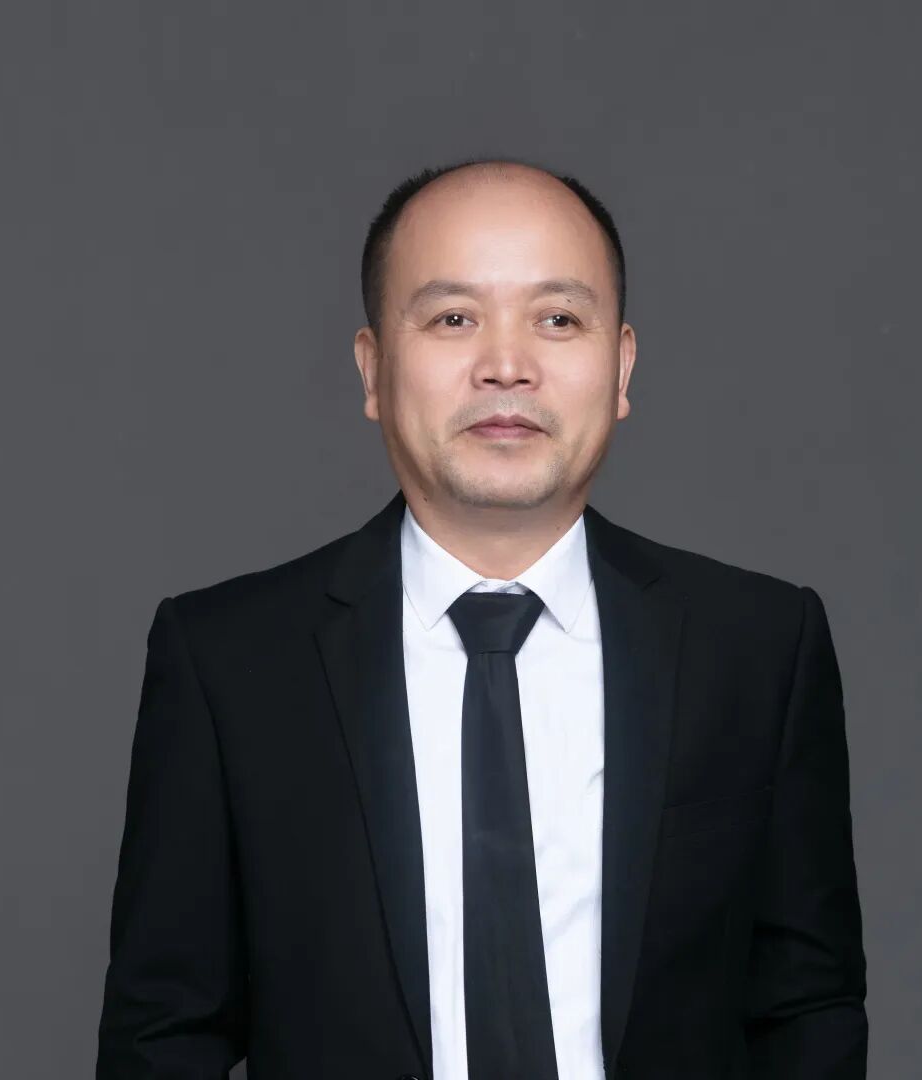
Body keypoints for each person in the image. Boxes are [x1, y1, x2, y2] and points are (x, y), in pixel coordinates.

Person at [96, 157, 868, 1079]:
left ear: (621, 366)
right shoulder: (230, 662)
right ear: (374, 368)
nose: (507, 365)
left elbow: (806, 1009)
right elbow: (163, 1036)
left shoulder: (758, 647)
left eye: (558, 319)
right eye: (454, 318)